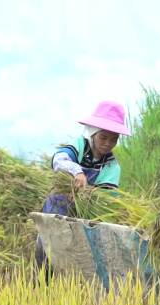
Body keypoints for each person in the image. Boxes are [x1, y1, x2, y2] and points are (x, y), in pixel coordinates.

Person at [35, 100, 130, 268]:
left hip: (88, 214)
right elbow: (58, 160)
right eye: (103, 137)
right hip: (61, 204)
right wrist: (76, 171)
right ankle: (44, 272)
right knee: (50, 241)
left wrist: (86, 196)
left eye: (113, 139)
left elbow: (107, 198)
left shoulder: (111, 165)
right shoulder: (79, 145)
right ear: (93, 133)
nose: (108, 143)